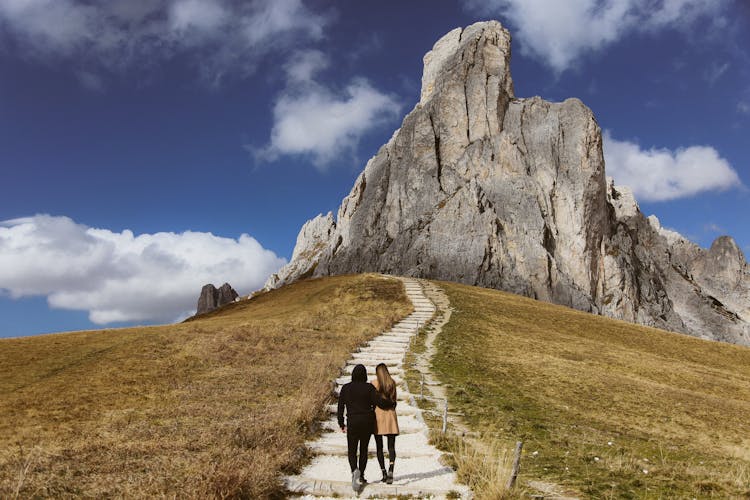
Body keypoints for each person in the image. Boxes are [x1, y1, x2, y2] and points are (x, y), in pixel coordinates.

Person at [337, 364, 395, 492]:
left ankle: (354, 470)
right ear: (364, 375)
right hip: (367, 422)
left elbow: (340, 407)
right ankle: (362, 475)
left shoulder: (346, 388)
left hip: (352, 421)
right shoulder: (369, 388)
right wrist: (391, 403)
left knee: (352, 450)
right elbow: (380, 402)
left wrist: (341, 423)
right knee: (363, 450)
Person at [372, 363, 399, 484]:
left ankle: (383, 472)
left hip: (378, 416)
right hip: (391, 416)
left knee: (379, 447)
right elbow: (394, 401)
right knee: (391, 446)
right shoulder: (392, 383)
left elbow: (372, 401)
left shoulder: (374, 383)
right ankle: (391, 469)